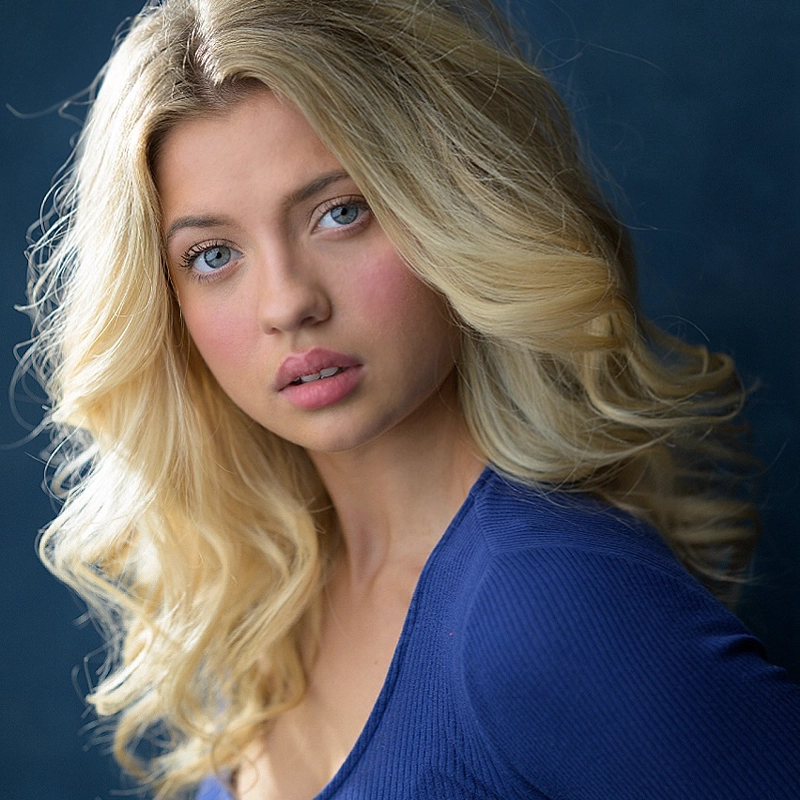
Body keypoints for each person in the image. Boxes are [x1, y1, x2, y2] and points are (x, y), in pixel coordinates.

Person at [20, 0, 800, 798]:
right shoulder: (271, 595)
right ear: (166, 304)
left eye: (341, 212)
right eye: (214, 255)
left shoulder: (552, 601)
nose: (287, 303)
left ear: (450, 206)